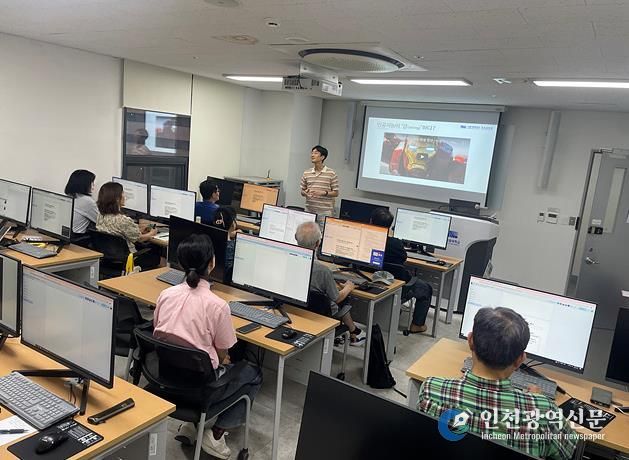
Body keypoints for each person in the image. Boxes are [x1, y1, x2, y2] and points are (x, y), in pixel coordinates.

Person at [153, 234, 262, 459]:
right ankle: (216, 433)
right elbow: (223, 353)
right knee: (253, 373)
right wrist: (220, 357)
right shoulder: (218, 306)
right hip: (200, 390)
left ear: (180, 261)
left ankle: (191, 426)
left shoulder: (165, 295)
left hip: (165, 380)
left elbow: (160, 332)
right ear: (212, 263)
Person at [418, 307, 577, 460]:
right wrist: (537, 401)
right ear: (520, 360)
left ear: (470, 341)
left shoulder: (431, 390)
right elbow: (567, 452)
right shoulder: (544, 413)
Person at [294, 221, 366, 346]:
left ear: (295, 237)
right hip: (319, 315)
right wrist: (348, 287)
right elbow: (337, 298)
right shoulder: (323, 271)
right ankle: (354, 332)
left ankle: (354, 331)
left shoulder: (289, 260)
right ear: (318, 243)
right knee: (344, 298)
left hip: (295, 310)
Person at [370, 207, 433, 334]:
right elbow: (403, 258)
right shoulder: (395, 244)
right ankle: (417, 325)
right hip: (395, 285)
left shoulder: (366, 239)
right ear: (390, 226)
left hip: (370, 280)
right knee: (427, 288)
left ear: (371, 221)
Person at [95, 182, 160, 270]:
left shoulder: (100, 216)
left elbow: (119, 230)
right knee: (159, 257)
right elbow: (140, 238)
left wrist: (138, 229)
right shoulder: (124, 220)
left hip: (108, 258)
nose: (124, 196)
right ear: (117, 199)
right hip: (130, 260)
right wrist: (152, 233)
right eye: (122, 193)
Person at [300, 145, 339, 222]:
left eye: (316, 153)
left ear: (322, 157)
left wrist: (323, 193)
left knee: (322, 230)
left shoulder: (331, 173)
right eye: (312, 153)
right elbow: (302, 191)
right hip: (309, 210)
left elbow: (336, 193)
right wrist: (306, 193)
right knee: (308, 230)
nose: (312, 155)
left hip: (325, 212)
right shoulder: (306, 173)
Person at [64, 169, 99, 234]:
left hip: (66, 234)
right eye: (92, 183)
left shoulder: (68, 196)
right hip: (77, 237)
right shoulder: (86, 201)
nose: (93, 186)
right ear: (85, 184)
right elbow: (100, 221)